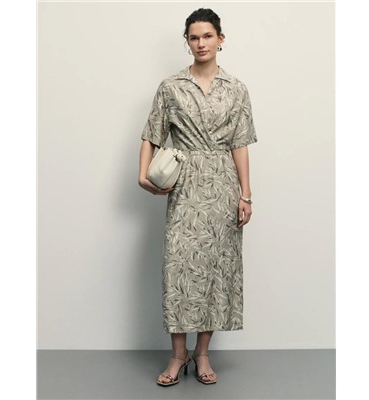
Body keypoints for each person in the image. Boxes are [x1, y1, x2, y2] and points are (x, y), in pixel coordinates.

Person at [138, 8, 258, 386]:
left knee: (215, 271)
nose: (201, 43)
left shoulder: (236, 89)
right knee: (179, 268)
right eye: (194, 37)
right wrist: (142, 175)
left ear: (220, 39)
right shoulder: (171, 86)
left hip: (222, 186)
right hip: (185, 185)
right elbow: (151, 133)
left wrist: (246, 195)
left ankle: (202, 354)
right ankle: (178, 355)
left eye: (207, 36)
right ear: (187, 42)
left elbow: (240, 144)